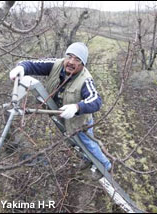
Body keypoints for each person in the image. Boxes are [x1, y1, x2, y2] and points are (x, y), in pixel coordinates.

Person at [9, 42, 112, 172]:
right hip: (64, 117)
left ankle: (105, 166)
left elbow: (96, 100)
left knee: (88, 144)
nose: (71, 62)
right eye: (69, 56)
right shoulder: (56, 64)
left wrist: (77, 107)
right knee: (75, 143)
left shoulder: (85, 79)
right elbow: (32, 64)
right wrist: (22, 68)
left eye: (77, 59)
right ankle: (87, 159)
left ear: (83, 64)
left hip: (79, 122)